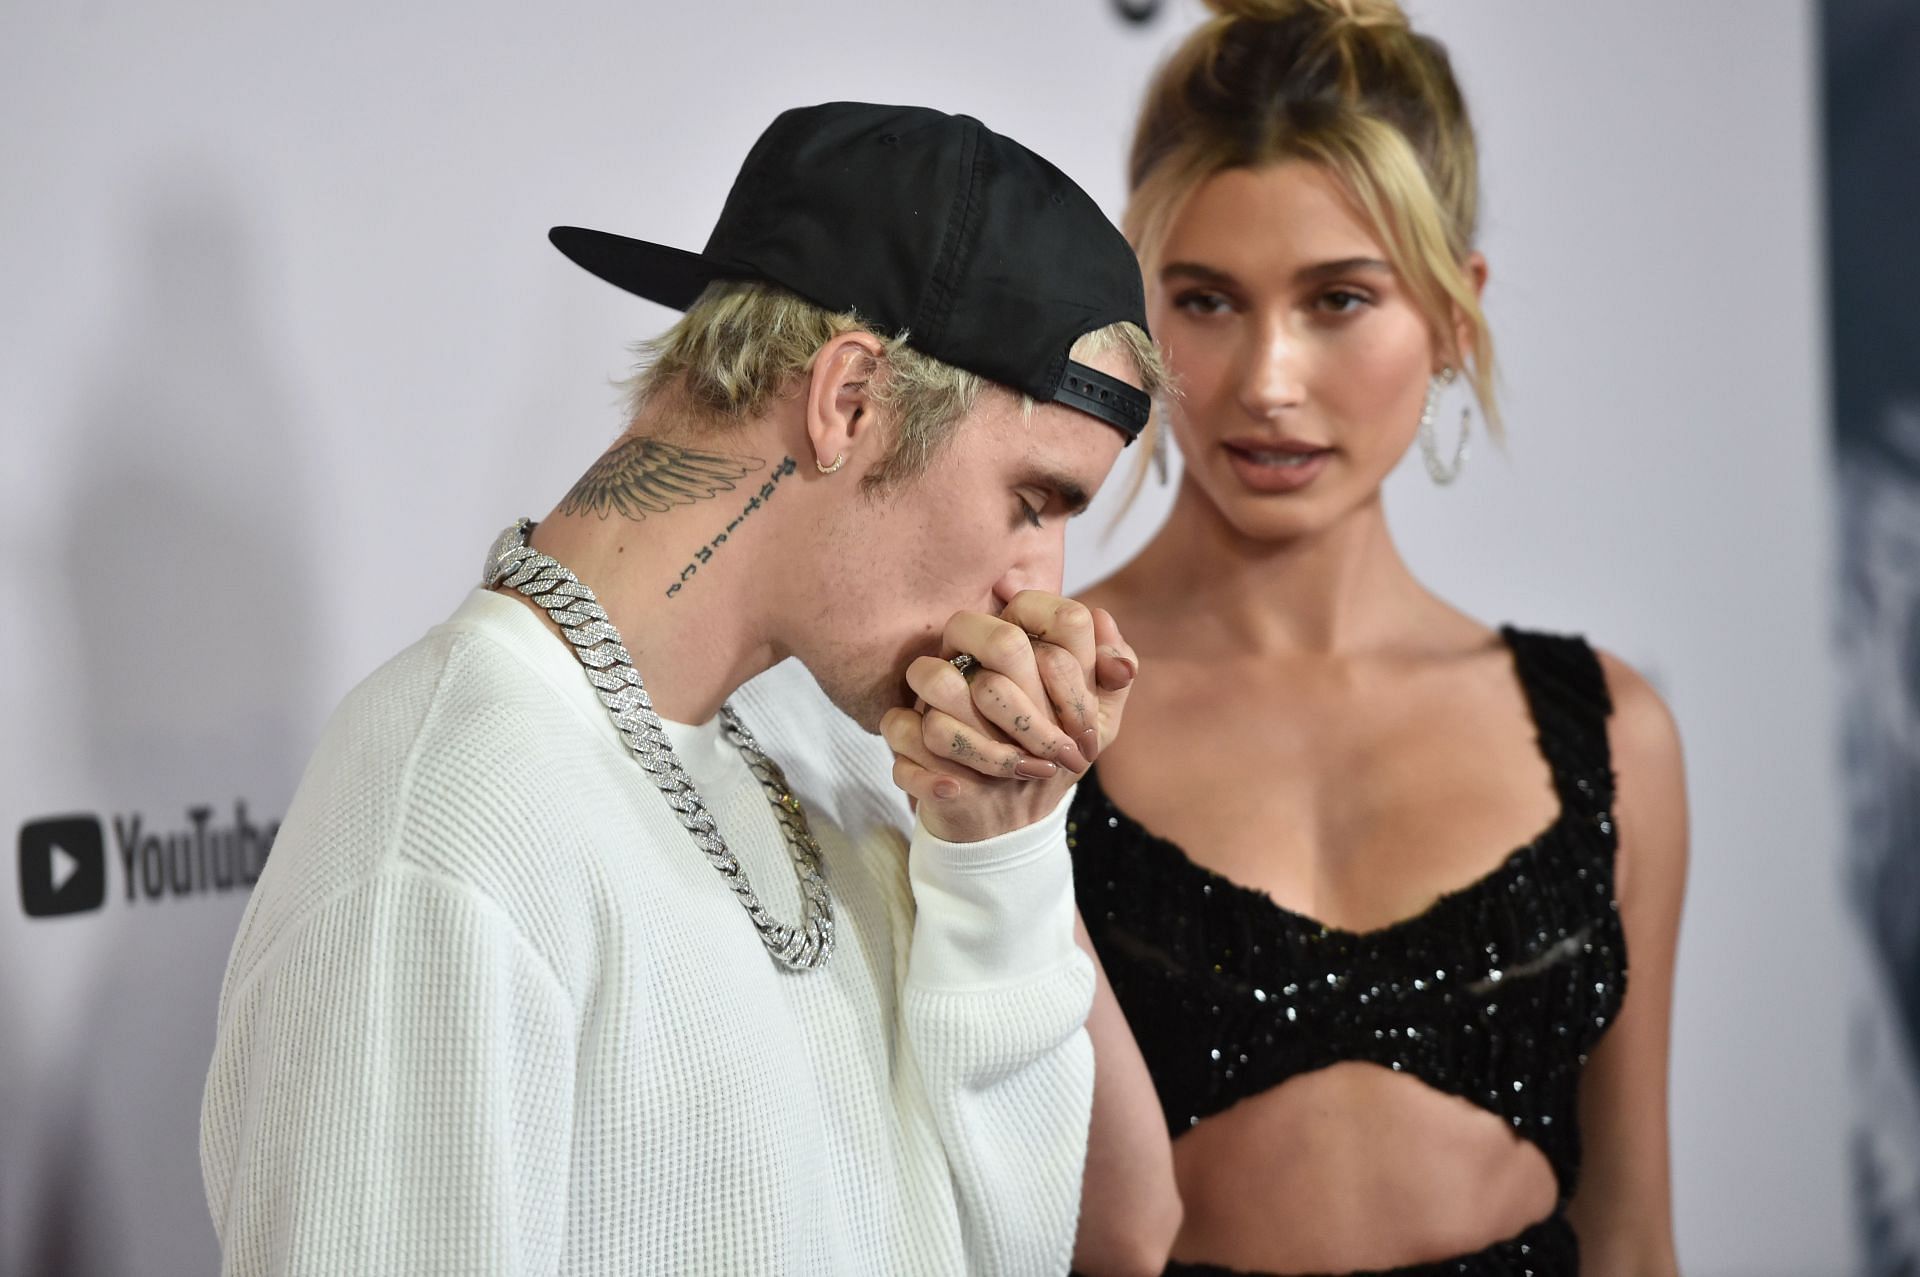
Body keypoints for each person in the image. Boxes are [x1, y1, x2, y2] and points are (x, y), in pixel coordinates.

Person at [198, 100, 1170, 1276]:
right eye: (1034, 501)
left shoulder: (850, 752)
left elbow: (1038, 1246)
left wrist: (998, 857)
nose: (1041, 587)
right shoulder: (444, 819)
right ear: (847, 399)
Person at [1065, 3, 1688, 1274]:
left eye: (1340, 298)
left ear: (1455, 313)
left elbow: (1630, 1232)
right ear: (1140, 312)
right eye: (1207, 299)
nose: (1268, 379)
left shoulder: (1611, 733)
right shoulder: (1035, 703)